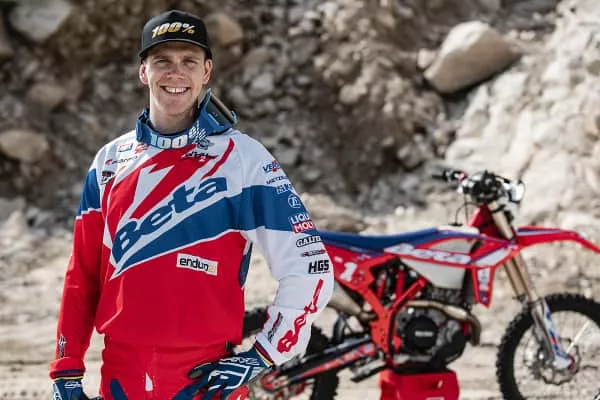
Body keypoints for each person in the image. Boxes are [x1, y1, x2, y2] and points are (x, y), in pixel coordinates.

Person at [49, 9, 333, 400]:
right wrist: (66, 369)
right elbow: (82, 274)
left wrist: (265, 354)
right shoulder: (109, 162)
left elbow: (309, 265)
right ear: (143, 71)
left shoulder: (243, 159)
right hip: (121, 377)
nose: (176, 73)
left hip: (205, 380)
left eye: (189, 61)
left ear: (207, 71)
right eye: (162, 61)